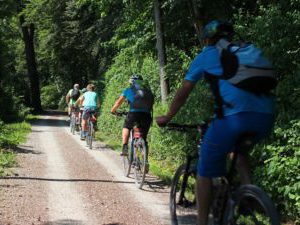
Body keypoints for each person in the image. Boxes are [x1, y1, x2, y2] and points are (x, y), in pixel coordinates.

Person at [156, 20, 275, 225]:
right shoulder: (246, 50)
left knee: (204, 172)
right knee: (238, 152)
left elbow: (184, 90)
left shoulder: (207, 55)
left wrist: (167, 117)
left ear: (208, 39)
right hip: (266, 117)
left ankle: (202, 222)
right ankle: (249, 194)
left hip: (233, 119)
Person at [111, 75, 154, 163]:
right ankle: (145, 161)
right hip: (147, 115)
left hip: (134, 113)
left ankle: (125, 147)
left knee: (126, 126)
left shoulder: (128, 90)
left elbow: (118, 102)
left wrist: (113, 110)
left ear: (131, 82)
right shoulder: (148, 91)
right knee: (144, 138)